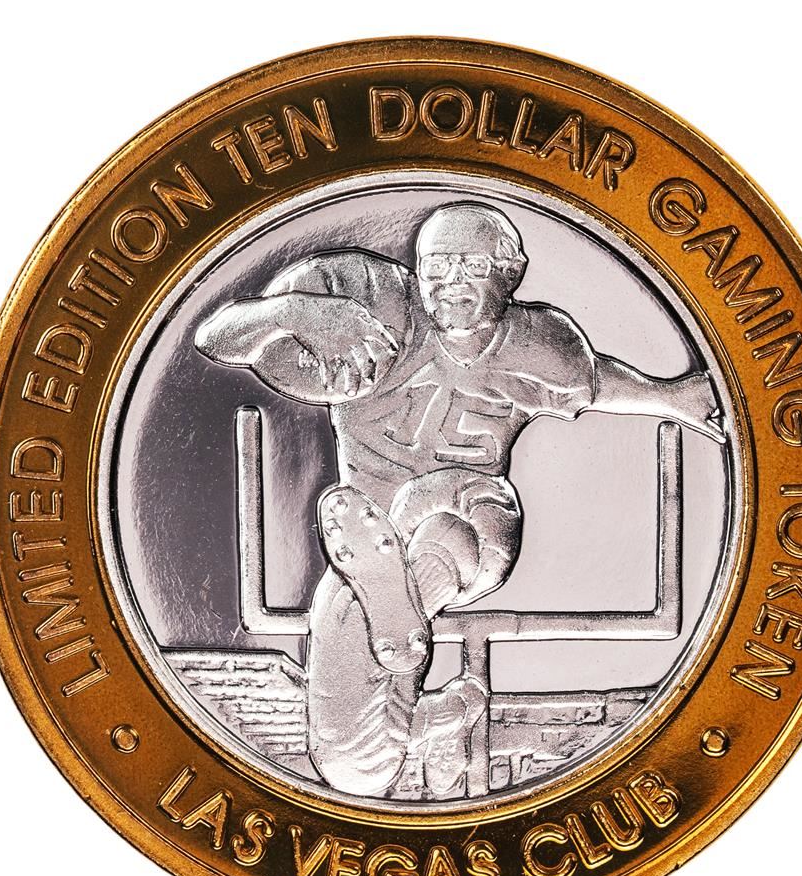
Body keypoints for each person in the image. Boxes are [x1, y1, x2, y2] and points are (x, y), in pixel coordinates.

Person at [195, 202, 724, 798]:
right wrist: (306, 311)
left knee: (447, 533)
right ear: (417, 270)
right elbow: (216, 337)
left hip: (464, 506)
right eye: (438, 266)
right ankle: (419, 679)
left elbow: (596, 381)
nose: (452, 282)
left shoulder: (537, 344)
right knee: (350, 767)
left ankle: (399, 614)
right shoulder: (373, 305)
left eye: (472, 266)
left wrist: (673, 397)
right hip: (385, 524)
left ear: (511, 272)